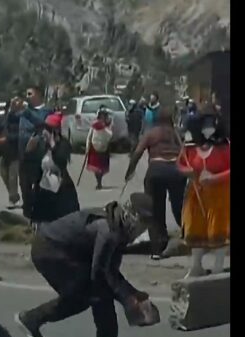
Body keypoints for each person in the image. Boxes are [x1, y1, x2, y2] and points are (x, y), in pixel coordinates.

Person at [14, 193, 160, 337]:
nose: (143, 230)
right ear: (131, 215)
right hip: (50, 250)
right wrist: (128, 299)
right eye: (143, 222)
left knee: (83, 297)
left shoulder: (118, 226)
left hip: (67, 252)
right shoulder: (109, 231)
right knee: (96, 294)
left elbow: (110, 270)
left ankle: (31, 319)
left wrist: (133, 294)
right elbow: (100, 274)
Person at [124, 110, 186, 260]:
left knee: (155, 209)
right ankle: (190, 236)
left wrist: (129, 171)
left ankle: (158, 247)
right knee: (179, 207)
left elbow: (138, 152)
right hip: (176, 172)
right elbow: (184, 152)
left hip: (156, 171)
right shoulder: (175, 134)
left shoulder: (151, 133)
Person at [177, 105, 230, 278]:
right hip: (196, 194)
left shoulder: (225, 146)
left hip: (219, 196)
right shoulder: (190, 147)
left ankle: (218, 267)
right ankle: (196, 266)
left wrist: (215, 178)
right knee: (195, 228)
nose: (208, 128)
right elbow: (180, 164)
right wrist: (188, 172)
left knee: (219, 231)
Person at [26, 111, 80, 227]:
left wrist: (52, 143)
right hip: (44, 187)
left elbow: (60, 161)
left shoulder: (63, 144)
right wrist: (30, 149)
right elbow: (33, 163)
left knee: (63, 220)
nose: (44, 132)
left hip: (61, 187)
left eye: (47, 130)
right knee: (42, 219)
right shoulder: (41, 145)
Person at [17, 85, 53, 219]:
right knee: (24, 185)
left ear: (38, 95)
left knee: (39, 184)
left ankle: (39, 213)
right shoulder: (23, 112)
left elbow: (46, 126)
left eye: (30, 94)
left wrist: (37, 139)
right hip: (23, 155)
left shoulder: (47, 111)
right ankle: (27, 210)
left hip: (39, 155)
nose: (27, 97)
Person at [0, 98, 22, 209]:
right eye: (12, 104)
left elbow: (20, 134)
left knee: (12, 177)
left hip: (15, 152)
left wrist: (7, 139)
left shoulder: (19, 119)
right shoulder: (2, 119)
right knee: (3, 174)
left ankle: (13, 199)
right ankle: (14, 195)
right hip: (3, 152)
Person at [86, 107, 113, 190]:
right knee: (97, 168)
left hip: (104, 148)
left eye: (104, 116)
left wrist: (104, 128)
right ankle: (99, 182)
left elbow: (110, 136)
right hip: (95, 147)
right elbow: (89, 136)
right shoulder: (94, 125)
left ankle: (99, 181)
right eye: (101, 116)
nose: (102, 118)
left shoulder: (108, 126)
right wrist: (87, 147)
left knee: (101, 167)